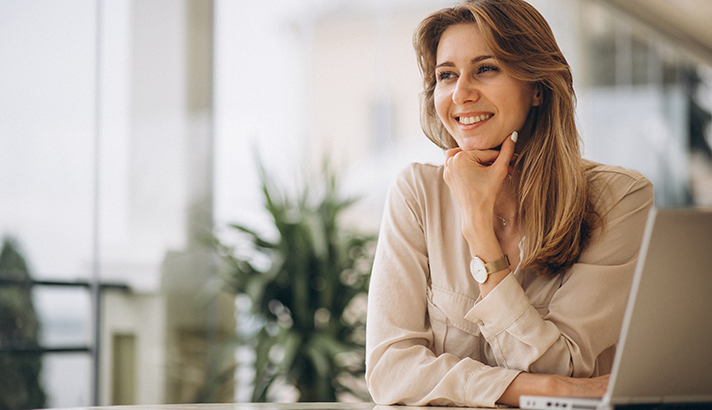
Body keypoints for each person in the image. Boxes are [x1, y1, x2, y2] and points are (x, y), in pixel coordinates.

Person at [364, 0, 655, 407]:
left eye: (485, 69)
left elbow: (567, 370)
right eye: (446, 76)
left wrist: (480, 234)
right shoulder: (417, 193)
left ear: (536, 87)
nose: (461, 94)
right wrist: (541, 389)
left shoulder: (618, 199)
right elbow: (390, 372)